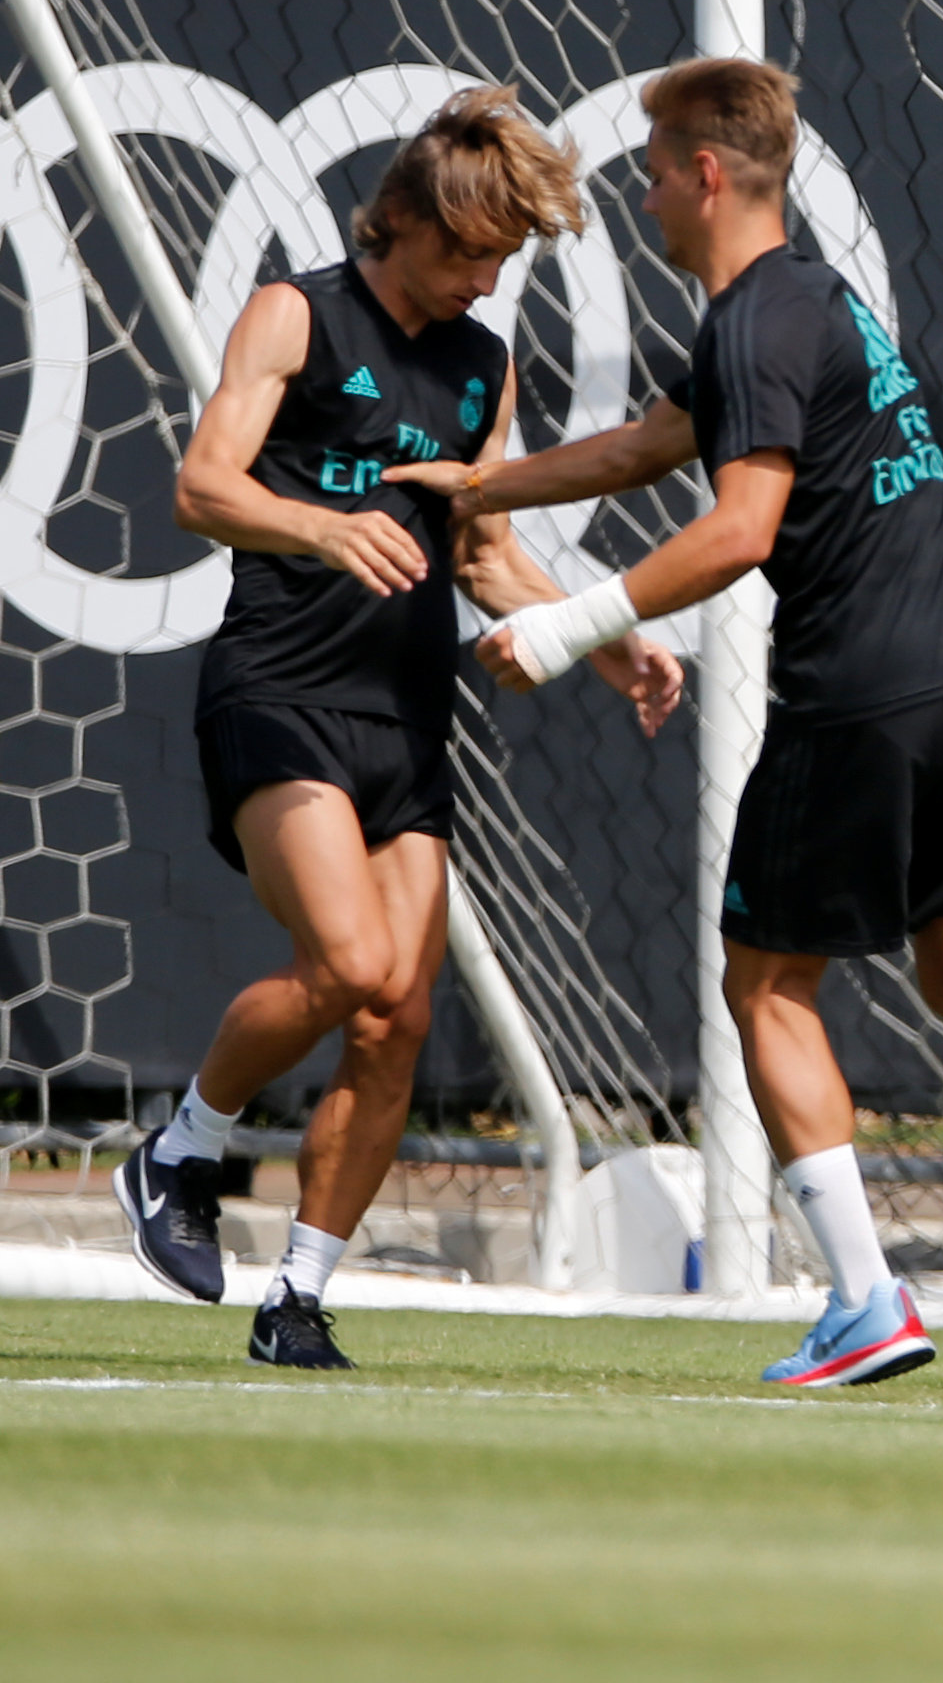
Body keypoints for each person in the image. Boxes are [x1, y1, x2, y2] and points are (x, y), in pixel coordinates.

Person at [388, 58, 943, 1389]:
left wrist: (563, 629)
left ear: (710, 174)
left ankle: (865, 1303)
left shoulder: (751, 325)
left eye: (659, 175)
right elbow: (653, 442)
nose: (652, 200)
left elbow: (739, 531)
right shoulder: (808, 301)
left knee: (764, 981)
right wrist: (485, 484)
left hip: (863, 688)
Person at [118, 87, 682, 1369]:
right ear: (409, 219)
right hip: (277, 694)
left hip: (405, 721)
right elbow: (203, 486)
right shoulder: (295, 313)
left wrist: (607, 634)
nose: (488, 279)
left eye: (505, 259)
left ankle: (299, 1298)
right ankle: (181, 1149)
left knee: (399, 1017)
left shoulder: (482, 363)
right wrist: (322, 525)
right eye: (471, 251)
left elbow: (484, 554)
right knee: (354, 965)